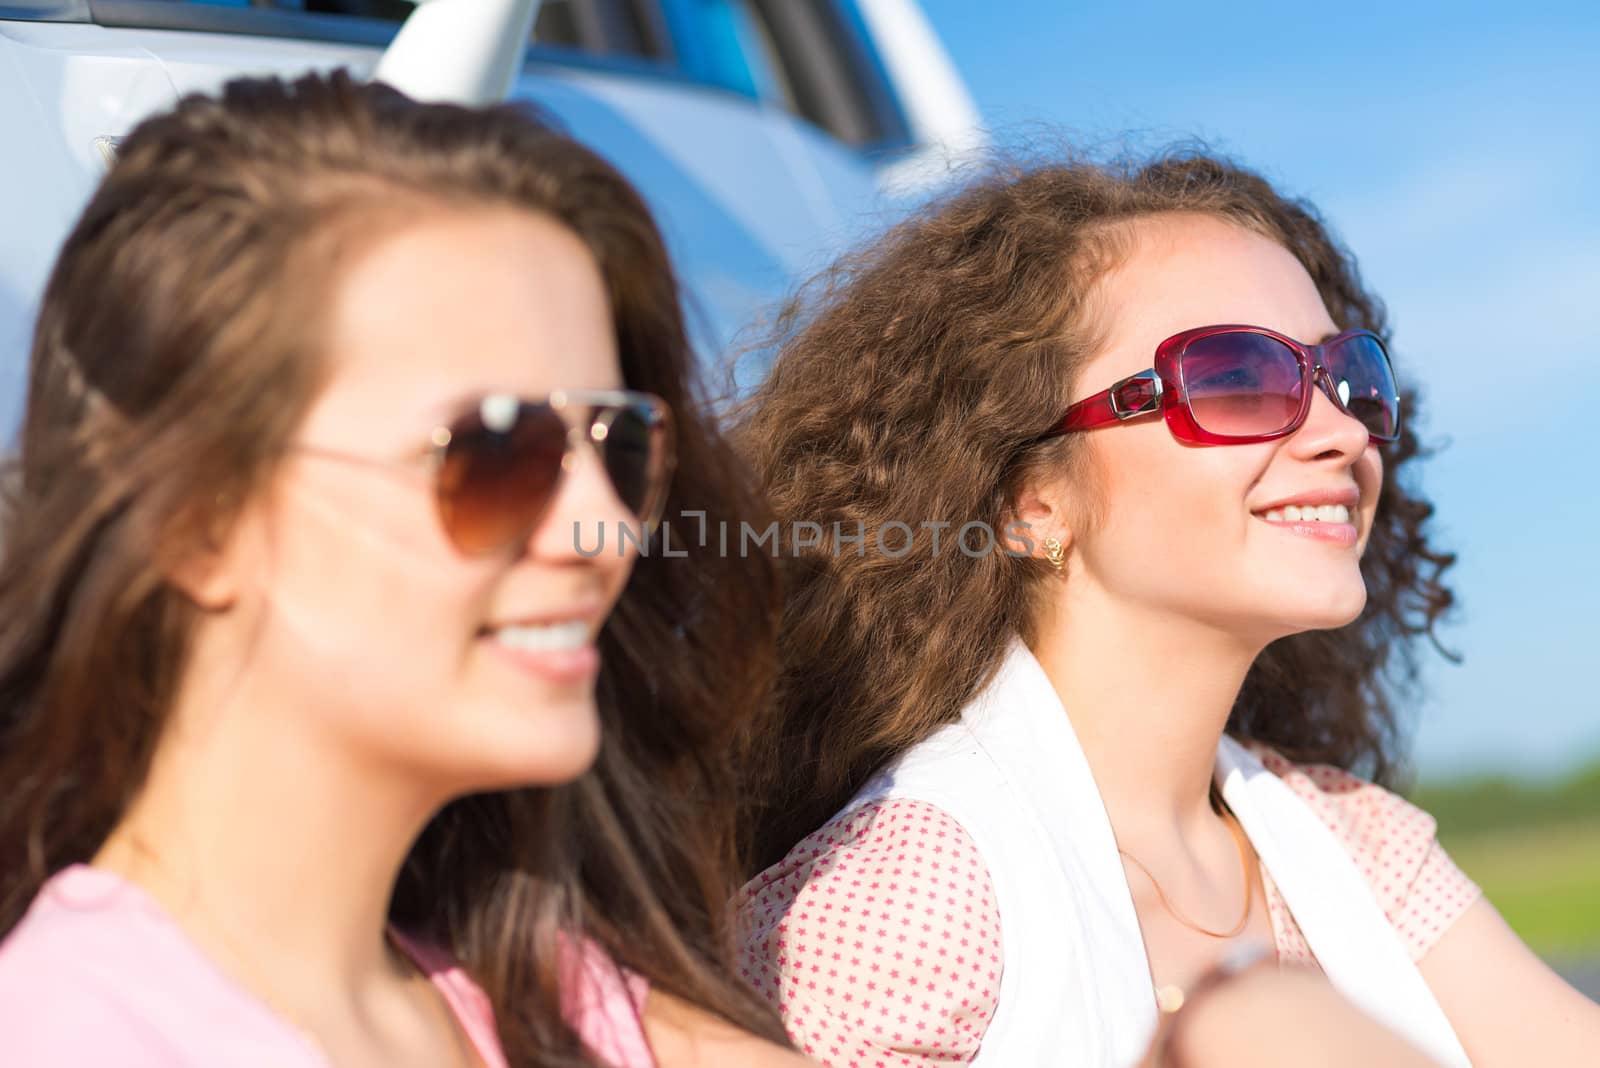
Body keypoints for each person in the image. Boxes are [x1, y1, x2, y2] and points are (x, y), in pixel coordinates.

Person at [0, 71, 809, 1067]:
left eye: (619, 445)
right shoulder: (72, 1036)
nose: (602, 526)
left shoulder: (552, 1002)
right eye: (494, 452)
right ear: (195, 522)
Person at [732, 151, 1600, 1066]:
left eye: (1350, 378)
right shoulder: (897, 904)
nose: (1344, 432)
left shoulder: (1352, 841)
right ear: (1032, 501)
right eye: (1234, 379)